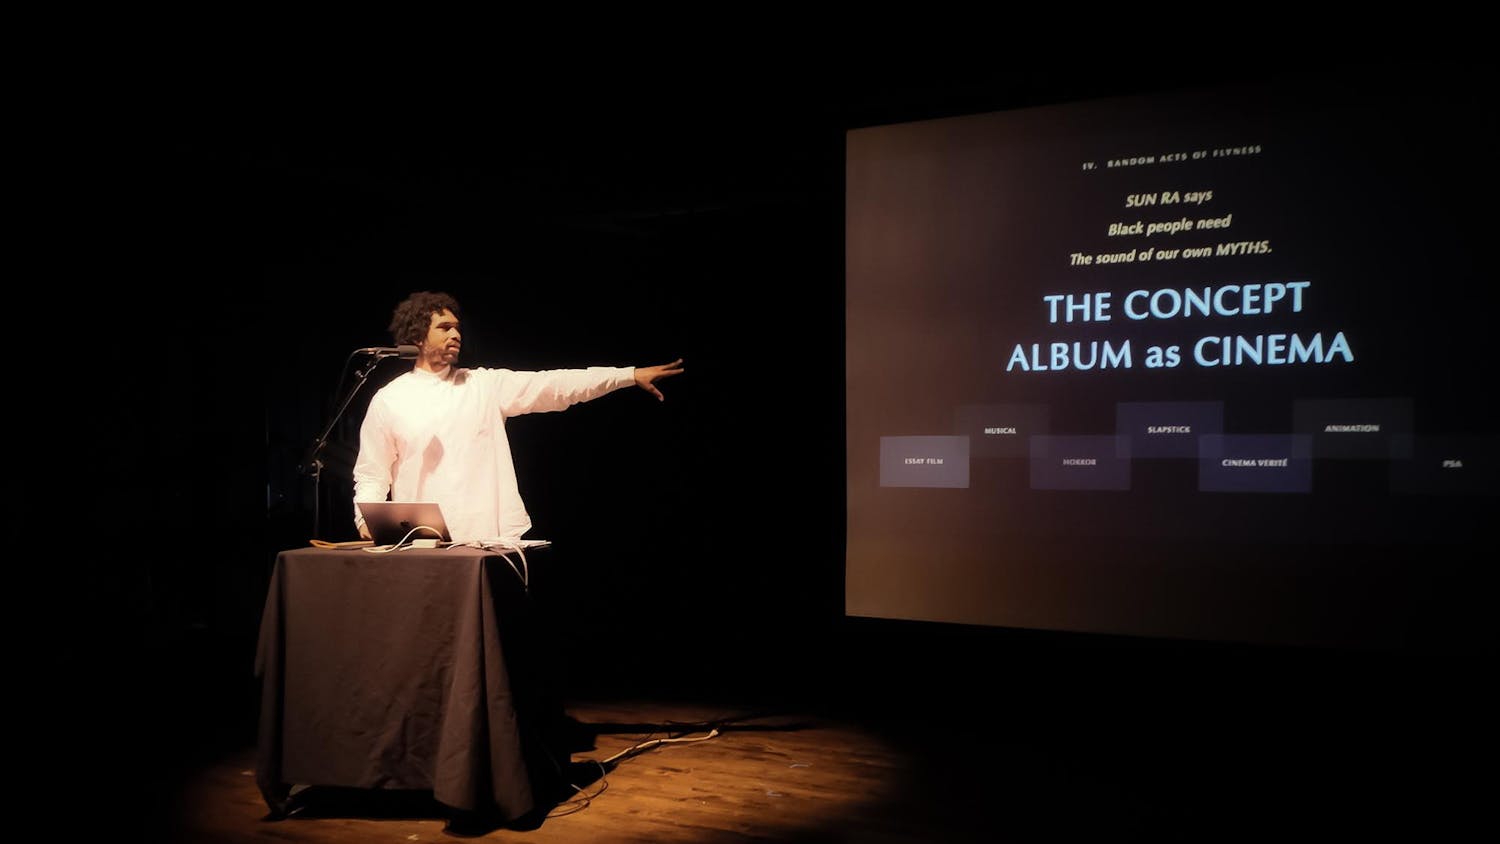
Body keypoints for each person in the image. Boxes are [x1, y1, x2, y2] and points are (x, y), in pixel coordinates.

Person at [352, 290, 683, 542]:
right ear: (416, 337)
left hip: (484, 538)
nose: (456, 335)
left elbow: (555, 385)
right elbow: (372, 472)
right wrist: (364, 519)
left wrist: (626, 375)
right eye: (444, 328)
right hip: (420, 544)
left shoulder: (483, 385)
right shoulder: (390, 399)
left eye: (457, 328)